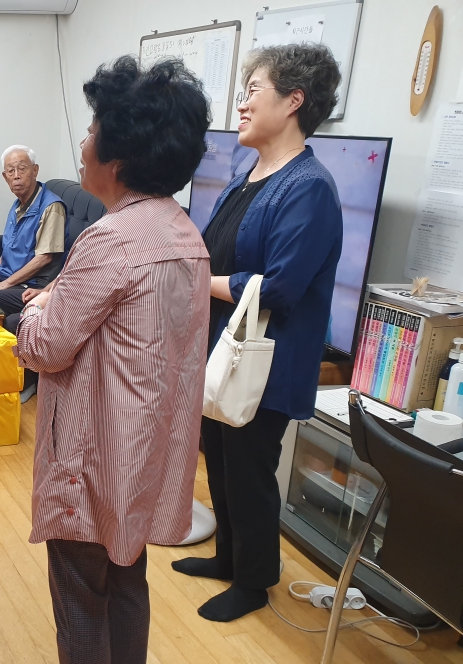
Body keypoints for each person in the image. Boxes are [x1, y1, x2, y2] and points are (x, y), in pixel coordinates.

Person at [9, 57, 211, 664]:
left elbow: (46, 348)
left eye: (93, 130)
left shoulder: (109, 240)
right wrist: (60, 303)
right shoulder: (183, 233)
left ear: (117, 158)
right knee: (127, 569)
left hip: (94, 451)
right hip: (150, 449)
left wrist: (35, 313)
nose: (84, 142)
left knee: (78, 587)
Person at [171, 44, 344, 623]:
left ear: (293, 101)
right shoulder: (248, 176)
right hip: (224, 349)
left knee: (249, 471)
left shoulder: (309, 187)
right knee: (220, 461)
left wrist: (201, 282)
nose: (241, 106)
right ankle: (228, 557)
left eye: (252, 92)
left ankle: (254, 582)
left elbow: (280, 287)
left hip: (267, 360)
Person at [0, 145, 66, 402]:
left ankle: (26, 379)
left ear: (35, 170)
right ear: (4, 176)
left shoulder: (51, 207)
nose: (16, 175)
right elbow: (8, 248)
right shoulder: (17, 204)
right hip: (13, 279)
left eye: (22, 168)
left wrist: (4, 284)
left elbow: (45, 257)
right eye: (11, 171)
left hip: (35, 285)